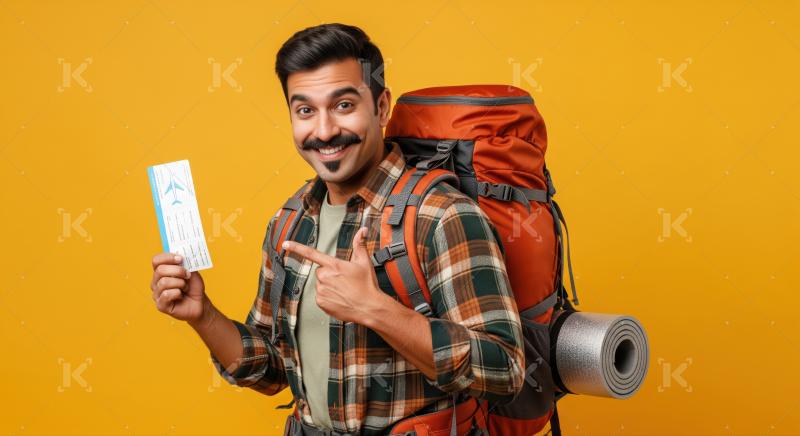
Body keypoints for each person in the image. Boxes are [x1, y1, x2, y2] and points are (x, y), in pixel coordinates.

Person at [149, 23, 524, 435]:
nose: (324, 131)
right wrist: (203, 316)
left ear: (381, 108)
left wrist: (376, 310)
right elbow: (273, 371)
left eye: (343, 105)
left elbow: (504, 371)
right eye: (305, 110)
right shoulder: (290, 222)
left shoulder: (442, 215)